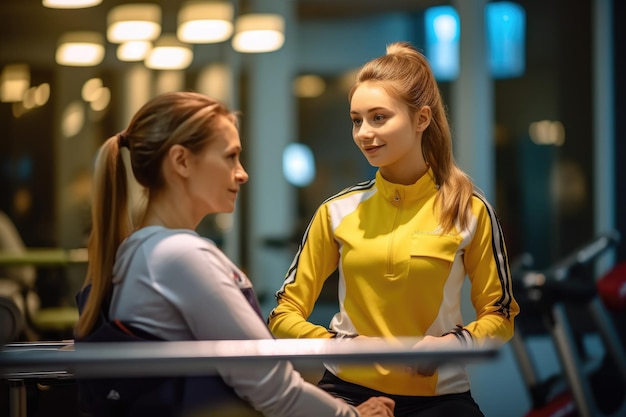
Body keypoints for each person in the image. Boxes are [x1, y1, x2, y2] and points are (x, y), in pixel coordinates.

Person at [74, 91, 395, 417]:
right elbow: (272, 386)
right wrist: (352, 415)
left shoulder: (138, 250)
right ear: (181, 161)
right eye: (230, 157)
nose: (242, 173)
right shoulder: (180, 256)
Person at [267, 41, 520, 417]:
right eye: (357, 120)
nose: (364, 133)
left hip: (440, 399)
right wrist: (340, 346)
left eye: (379, 117)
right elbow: (282, 315)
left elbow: (500, 314)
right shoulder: (336, 211)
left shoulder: (469, 210)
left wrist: (453, 344)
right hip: (346, 393)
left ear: (421, 119)